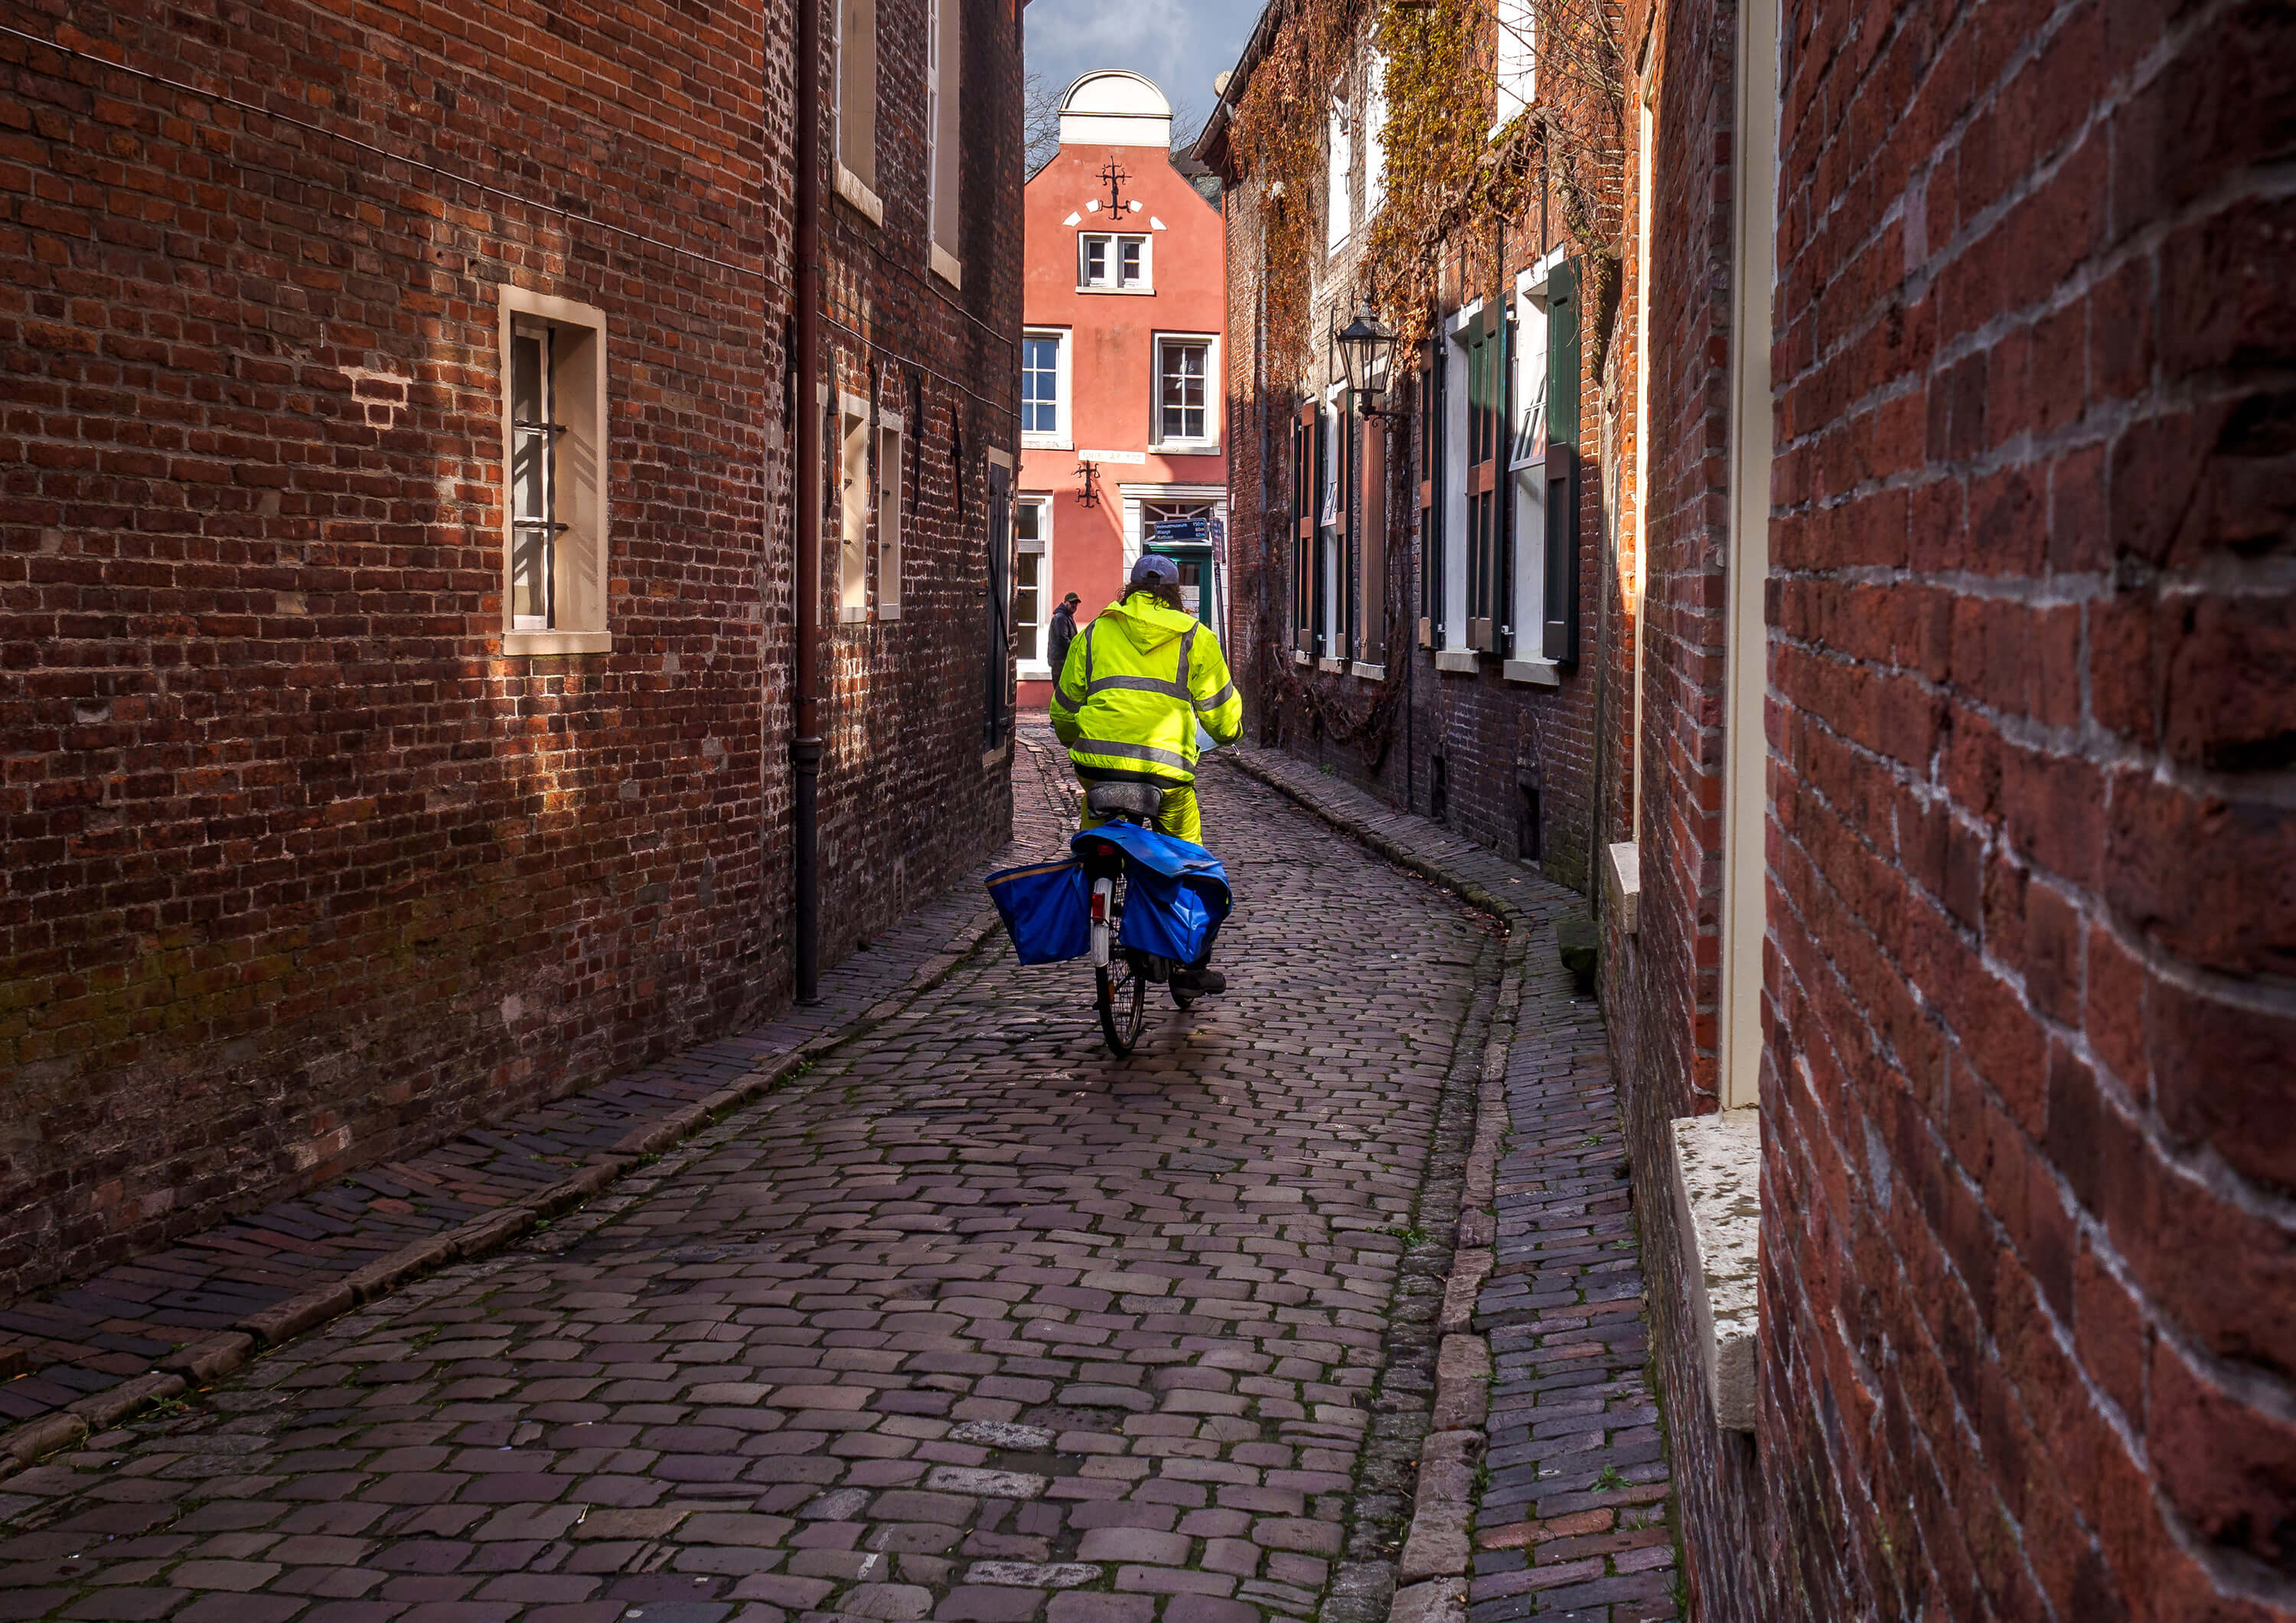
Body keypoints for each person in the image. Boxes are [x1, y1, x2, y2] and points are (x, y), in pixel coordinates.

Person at [1051, 554, 1243, 994]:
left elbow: (1062, 709)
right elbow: (1220, 718)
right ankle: (1190, 968)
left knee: (1097, 840)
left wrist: (1074, 739)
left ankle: (1095, 896)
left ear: (1128, 589)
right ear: (1176, 595)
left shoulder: (1095, 633)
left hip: (1098, 769)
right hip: (1166, 774)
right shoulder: (1196, 638)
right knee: (1188, 859)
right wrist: (1230, 730)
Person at [1047, 591, 1081, 676]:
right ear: (1065, 603)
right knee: (1060, 688)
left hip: (1062, 660)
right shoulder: (1061, 618)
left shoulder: (1067, 616)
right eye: (1072, 603)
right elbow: (1063, 639)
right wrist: (1076, 649)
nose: (1074, 605)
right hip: (1060, 661)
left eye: (1076, 603)